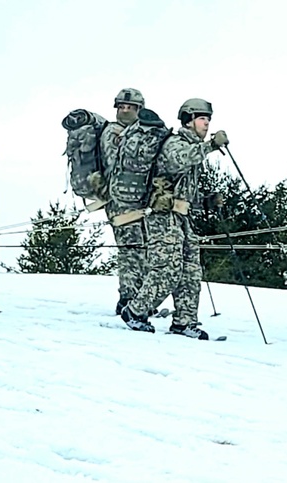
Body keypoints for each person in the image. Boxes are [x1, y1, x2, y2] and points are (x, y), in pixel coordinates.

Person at [120, 98, 228, 338]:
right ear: (188, 120)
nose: (207, 124)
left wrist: (205, 201)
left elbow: (183, 189)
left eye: (208, 120)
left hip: (181, 217)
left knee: (190, 270)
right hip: (161, 217)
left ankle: (184, 321)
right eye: (202, 119)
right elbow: (181, 159)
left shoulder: (192, 147)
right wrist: (211, 146)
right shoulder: (175, 143)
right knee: (166, 268)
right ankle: (136, 312)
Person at [98, 88, 147, 315]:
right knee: (130, 249)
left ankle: (138, 297)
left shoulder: (136, 132)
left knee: (141, 248)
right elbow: (118, 162)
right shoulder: (113, 132)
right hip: (120, 200)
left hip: (136, 200)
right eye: (122, 107)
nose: (125, 111)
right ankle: (127, 297)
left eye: (130, 107)